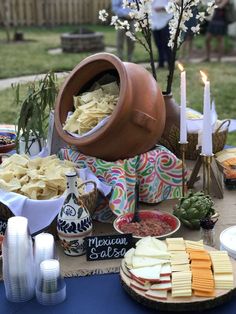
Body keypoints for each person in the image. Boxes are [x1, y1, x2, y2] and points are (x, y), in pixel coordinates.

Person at [151, 0, 173, 68]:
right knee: (158, 44)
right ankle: (161, 63)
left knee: (167, 44)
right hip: (154, 22)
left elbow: (174, 4)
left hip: (165, 21)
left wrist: (162, 8)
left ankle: (170, 64)